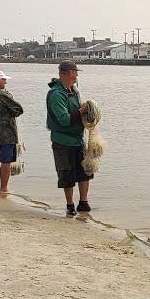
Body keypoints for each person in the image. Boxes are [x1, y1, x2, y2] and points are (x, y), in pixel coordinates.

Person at [46, 60, 94, 217]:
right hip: (62, 141)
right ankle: (69, 205)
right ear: (66, 73)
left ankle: (84, 202)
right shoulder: (56, 94)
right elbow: (64, 120)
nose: (77, 75)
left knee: (85, 171)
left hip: (78, 140)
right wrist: (82, 111)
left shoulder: (73, 91)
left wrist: (88, 113)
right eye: (75, 72)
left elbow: (78, 114)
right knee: (66, 174)